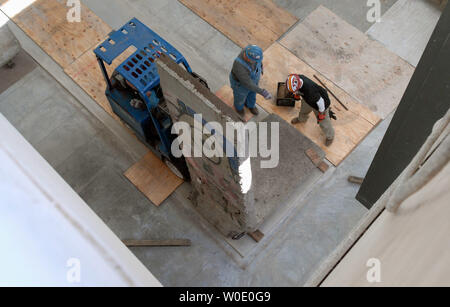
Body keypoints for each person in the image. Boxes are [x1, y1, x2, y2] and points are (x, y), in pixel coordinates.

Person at [287, 74, 335, 146]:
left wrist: (321, 113)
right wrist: (297, 94)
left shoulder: (310, 91)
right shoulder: (297, 78)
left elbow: (320, 102)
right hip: (307, 99)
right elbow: (297, 89)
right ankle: (301, 119)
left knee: (323, 122)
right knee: (303, 111)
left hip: (321, 104)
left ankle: (330, 136)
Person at [230, 45, 272, 116]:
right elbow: (248, 84)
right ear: (248, 58)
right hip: (241, 85)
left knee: (252, 95)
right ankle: (239, 108)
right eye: (254, 61)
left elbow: (259, 61)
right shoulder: (238, 65)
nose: (256, 62)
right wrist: (262, 92)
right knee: (240, 98)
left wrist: (261, 67)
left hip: (253, 82)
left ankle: (250, 106)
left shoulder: (251, 50)